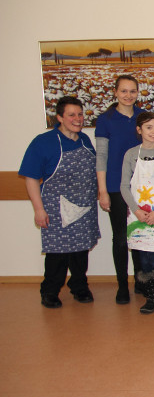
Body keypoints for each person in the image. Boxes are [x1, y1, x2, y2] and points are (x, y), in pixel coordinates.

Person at [20, 96, 100, 308]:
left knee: (80, 252)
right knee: (57, 255)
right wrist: (39, 209)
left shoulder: (84, 140)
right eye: (72, 115)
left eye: (80, 114)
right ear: (60, 117)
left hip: (85, 207)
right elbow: (30, 178)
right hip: (56, 208)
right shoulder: (43, 142)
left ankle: (79, 287)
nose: (78, 119)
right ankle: (50, 291)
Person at [120, 112, 154, 314]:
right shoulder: (130, 154)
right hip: (135, 215)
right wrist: (136, 210)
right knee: (141, 258)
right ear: (139, 130)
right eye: (149, 127)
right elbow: (124, 186)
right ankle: (153, 296)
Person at [95, 74, 145, 304]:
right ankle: (123, 285)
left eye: (132, 91)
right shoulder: (106, 120)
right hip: (115, 185)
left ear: (137, 92)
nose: (128, 95)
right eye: (123, 91)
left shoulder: (142, 117)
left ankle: (142, 282)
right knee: (121, 238)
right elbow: (102, 156)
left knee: (141, 236)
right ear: (115, 92)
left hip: (143, 187)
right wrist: (102, 190)